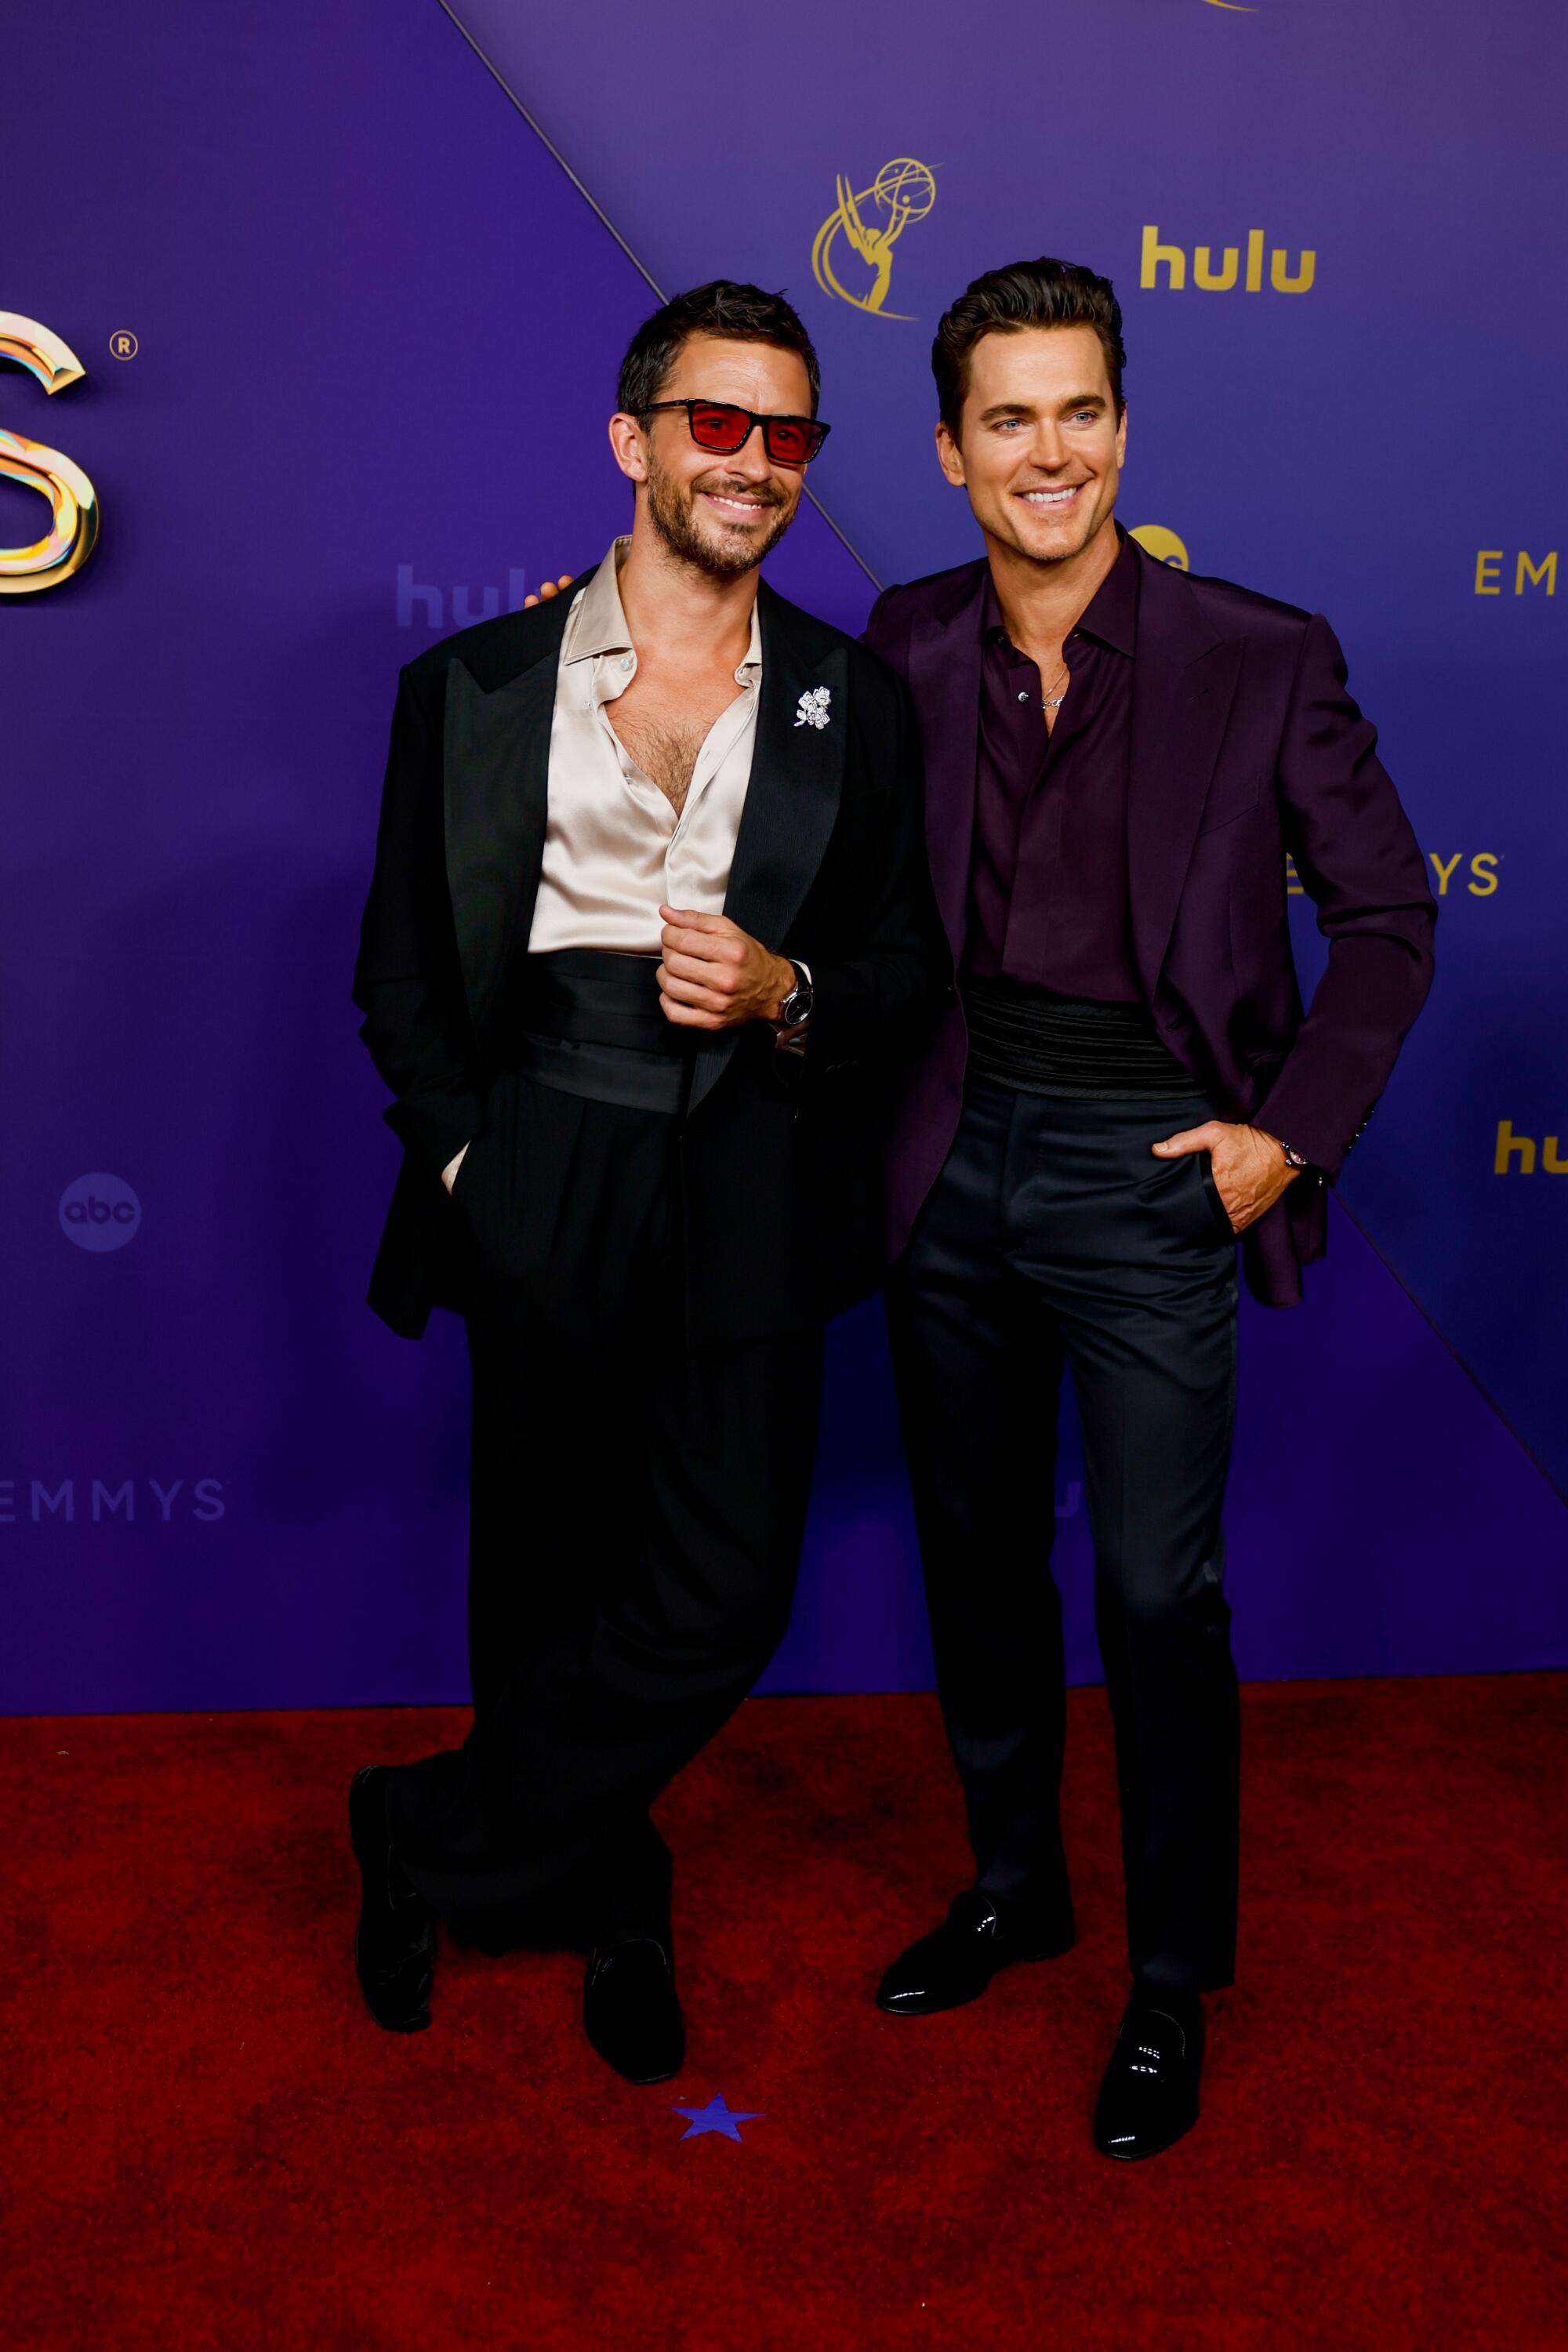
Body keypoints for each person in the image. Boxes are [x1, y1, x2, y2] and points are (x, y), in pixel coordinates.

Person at [866, 258, 1436, 2160]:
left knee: (1149, 1588)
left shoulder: (1257, 654)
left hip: (1150, 1169)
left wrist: (1289, 1134)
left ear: (1123, 425)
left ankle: (1168, 1980)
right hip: (950, 1154)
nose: (1054, 451)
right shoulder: (907, 640)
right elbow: (763, 790)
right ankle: (1017, 1885)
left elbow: (1389, 921)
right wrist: (575, 654)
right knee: (973, 1556)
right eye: (1010, 418)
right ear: (952, 453)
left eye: (1082, 410)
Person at [348, 280, 945, 2085]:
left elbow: (911, 972)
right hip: (538, 1145)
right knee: (541, 1572)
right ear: (635, 440)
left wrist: (792, 989)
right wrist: (468, 1156)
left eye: (789, 435)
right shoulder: (470, 685)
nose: (754, 464)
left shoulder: (858, 696)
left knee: (715, 1594)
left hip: (749, 1168)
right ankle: (604, 1897)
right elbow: (395, 967)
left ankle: (420, 1834)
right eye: (717, 423)